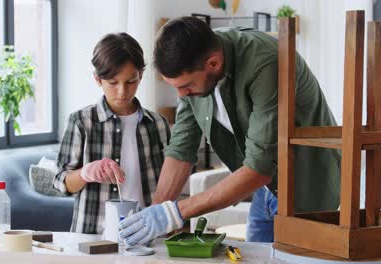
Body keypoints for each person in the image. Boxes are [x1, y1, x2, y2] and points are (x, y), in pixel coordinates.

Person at [118, 16, 341, 245]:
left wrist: (174, 213)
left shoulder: (266, 63)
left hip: (305, 189)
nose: (181, 96)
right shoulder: (196, 65)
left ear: (214, 64)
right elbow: (182, 149)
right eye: (176, 87)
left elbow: (259, 167)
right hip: (266, 188)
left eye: (185, 86)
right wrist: (155, 217)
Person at [54, 33, 170, 234]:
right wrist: (85, 172)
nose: (122, 91)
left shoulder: (157, 124)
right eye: (113, 83)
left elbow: (170, 181)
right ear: (98, 79)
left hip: (147, 235)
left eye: (131, 81)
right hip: (92, 238)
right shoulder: (81, 121)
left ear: (141, 76)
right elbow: (61, 183)